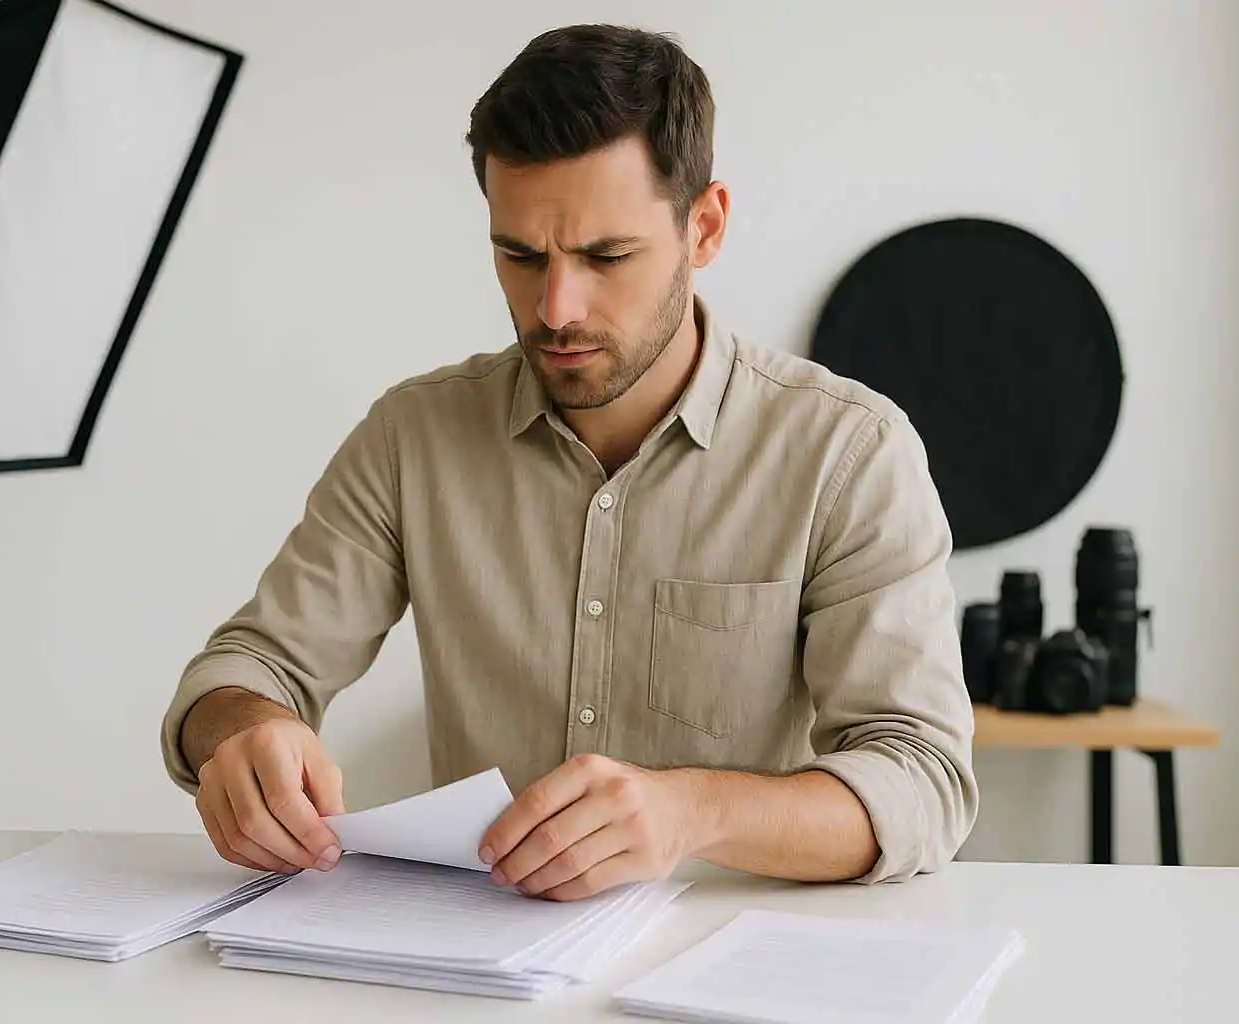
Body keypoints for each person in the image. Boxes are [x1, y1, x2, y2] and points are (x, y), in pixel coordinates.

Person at [160, 24, 977, 901]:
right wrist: (242, 731)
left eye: (606, 256)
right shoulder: (414, 436)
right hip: (472, 963)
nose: (556, 308)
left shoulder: (846, 452)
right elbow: (249, 666)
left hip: (724, 957)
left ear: (704, 228)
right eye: (519, 256)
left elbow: (922, 779)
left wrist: (689, 811)